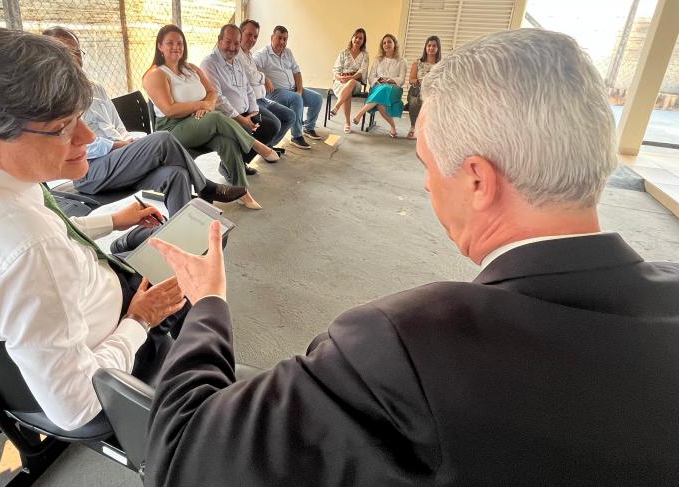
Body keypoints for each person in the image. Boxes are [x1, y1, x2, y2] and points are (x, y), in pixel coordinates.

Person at [142, 29, 679, 485]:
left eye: (427, 163)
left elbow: (188, 452)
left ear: (477, 180)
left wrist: (208, 303)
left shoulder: (404, 342)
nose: (425, 184)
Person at [0, 26, 190, 432]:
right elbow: (76, 407)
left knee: (145, 239)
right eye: (63, 127)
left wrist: (113, 220)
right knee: (187, 273)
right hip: (110, 345)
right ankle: (194, 406)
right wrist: (140, 321)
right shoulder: (32, 253)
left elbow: (37, 241)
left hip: (56, 320)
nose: (88, 135)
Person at [42, 27, 246, 216]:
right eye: (66, 52)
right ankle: (206, 187)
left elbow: (117, 126)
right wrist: (120, 146)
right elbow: (73, 144)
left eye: (78, 52)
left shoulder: (95, 88)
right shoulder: (50, 98)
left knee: (177, 174)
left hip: (120, 160)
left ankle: (181, 236)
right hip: (90, 170)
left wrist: (129, 143)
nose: (75, 58)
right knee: (162, 139)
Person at [143, 25, 278, 210]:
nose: (176, 47)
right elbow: (170, 110)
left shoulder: (191, 69)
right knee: (216, 117)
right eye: (170, 43)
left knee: (226, 142)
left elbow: (212, 92)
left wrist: (206, 106)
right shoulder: (156, 74)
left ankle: (242, 191)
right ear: (160, 46)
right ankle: (256, 145)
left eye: (180, 43)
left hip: (199, 122)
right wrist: (202, 105)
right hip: (172, 131)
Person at [200, 24, 281, 174]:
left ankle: (239, 162)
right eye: (228, 42)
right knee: (248, 128)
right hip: (225, 117)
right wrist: (241, 119)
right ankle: (229, 165)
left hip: (246, 112)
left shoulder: (236, 61)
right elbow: (217, 98)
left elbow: (248, 88)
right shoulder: (209, 64)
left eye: (236, 43)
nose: (232, 47)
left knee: (272, 125)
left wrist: (254, 112)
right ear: (219, 40)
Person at [255, 25, 323, 150]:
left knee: (317, 98)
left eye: (285, 39)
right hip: (275, 93)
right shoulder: (263, 53)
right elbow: (251, 67)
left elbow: (297, 72)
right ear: (272, 37)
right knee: (296, 99)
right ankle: (296, 136)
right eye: (279, 38)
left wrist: (300, 90)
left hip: (292, 89)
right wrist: (265, 78)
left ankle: (309, 127)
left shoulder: (288, 52)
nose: (282, 42)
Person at [237, 19, 295, 151]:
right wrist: (264, 78)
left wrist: (260, 77)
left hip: (263, 98)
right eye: (249, 35)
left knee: (290, 116)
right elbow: (251, 76)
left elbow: (254, 74)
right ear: (240, 33)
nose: (252, 39)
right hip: (253, 101)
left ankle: (267, 147)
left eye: (255, 36)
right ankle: (261, 150)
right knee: (275, 123)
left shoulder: (248, 54)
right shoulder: (238, 54)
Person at [352, 33, 407, 138]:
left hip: (394, 89)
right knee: (380, 104)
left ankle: (360, 113)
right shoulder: (378, 60)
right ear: (382, 46)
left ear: (394, 44)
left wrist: (390, 80)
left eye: (389, 42)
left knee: (385, 88)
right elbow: (371, 77)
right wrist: (378, 81)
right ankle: (393, 127)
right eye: (384, 43)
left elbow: (402, 79)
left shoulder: (402, 61)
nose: (387, 44)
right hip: (378, 87)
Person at [328, 28, 369, 134]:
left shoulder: (365, 55)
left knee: (351, 84)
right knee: (347, 92)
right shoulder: (344, 53)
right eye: (356, 37)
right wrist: (340, 78)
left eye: (361, 38)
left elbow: (362, 71)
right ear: (352, 38)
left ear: (363, 41)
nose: (358, 40)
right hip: (340, 82)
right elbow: (336, 70)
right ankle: (347, 123)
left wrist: (350, 78)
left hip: (356, 83)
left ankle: (337, 106)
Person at [407, 35, 441, 139]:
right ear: (425, 48)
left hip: (433, 91)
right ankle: (413, 127)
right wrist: (421, 81)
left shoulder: (441, 64)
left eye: (434, 46)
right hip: (418, 89)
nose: (431, 48)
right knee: (415, 101)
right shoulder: (417, 62)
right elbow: (411, 79)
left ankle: (430, 131)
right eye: (429, 45)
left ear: (438, 48)